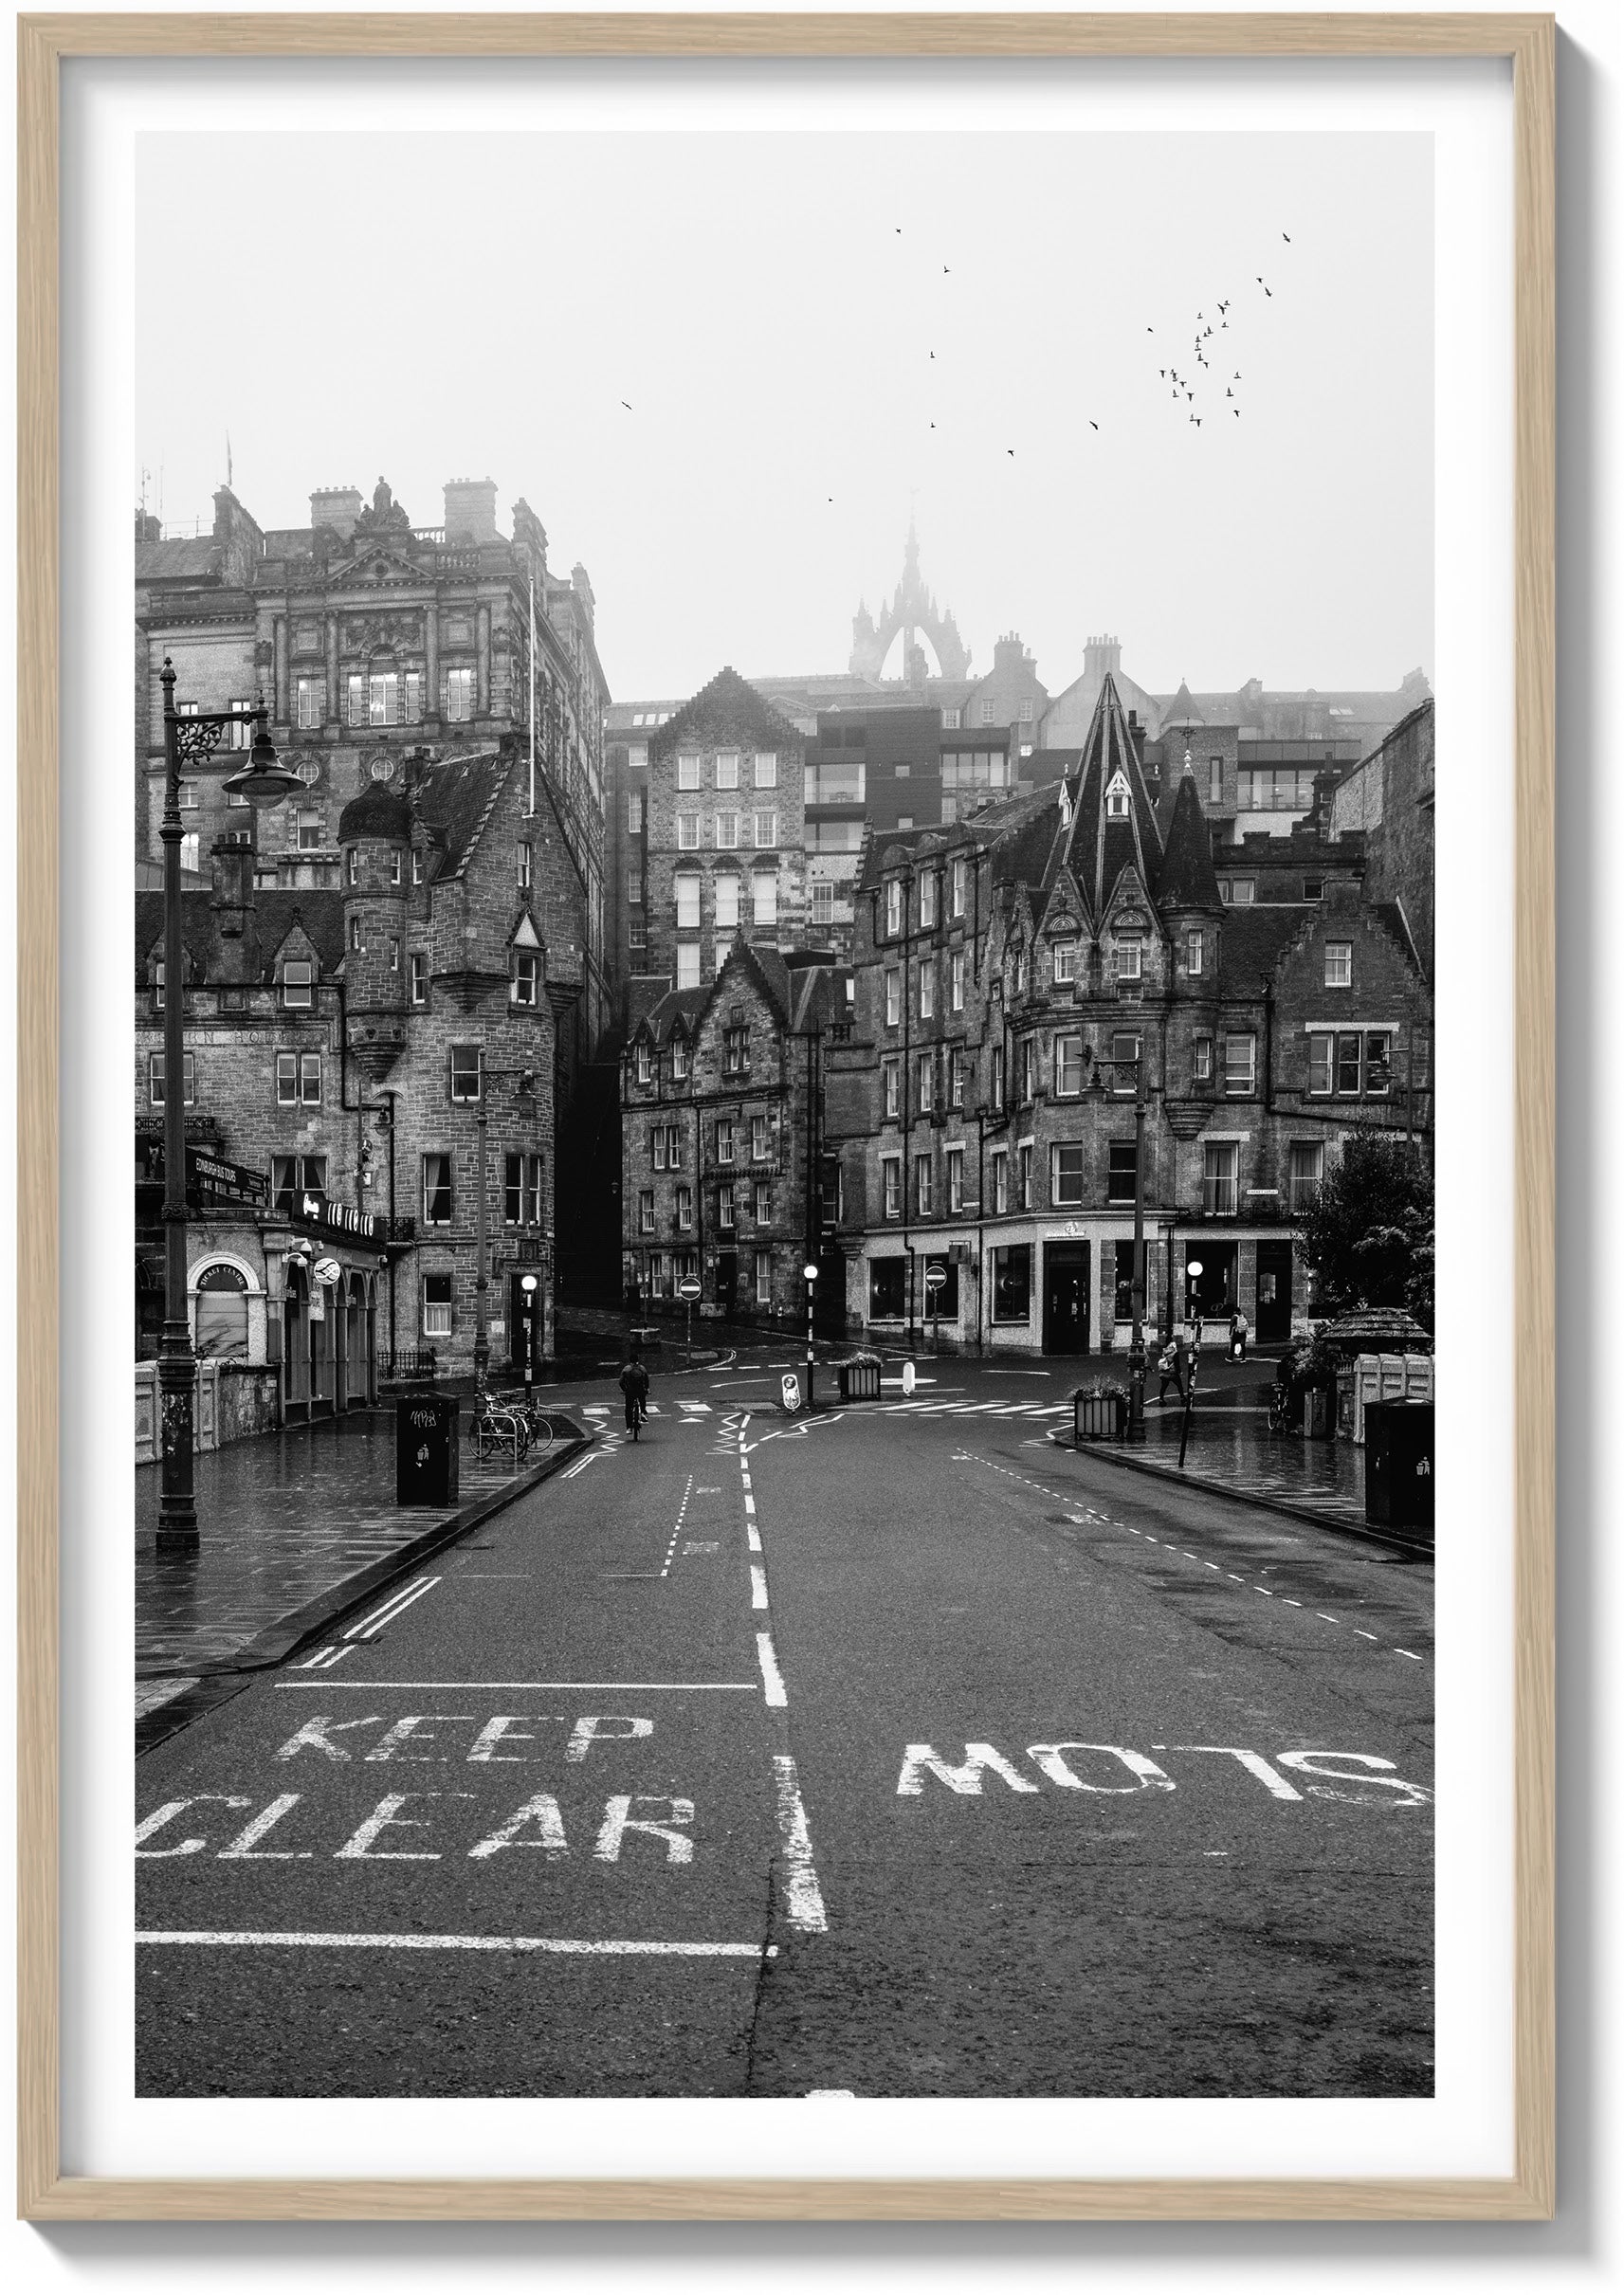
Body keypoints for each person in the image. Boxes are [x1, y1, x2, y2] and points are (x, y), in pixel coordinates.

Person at [618, 1345, 650, 1438]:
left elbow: (620, 1382)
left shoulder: (626, 1369)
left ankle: (629, 1428)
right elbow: (646, 1379)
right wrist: (647, 1389)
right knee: (642, 1399)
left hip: (630, 1391)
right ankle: (643, 1413)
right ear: (637, 1360)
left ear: (630, 1360)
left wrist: (625, 1390)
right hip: (640, 1390)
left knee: (628, 1409)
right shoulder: (642, 1368)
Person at [1157, 1338, 1182, 1405]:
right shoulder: (1175, 1354)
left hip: (1165, 1373)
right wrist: (1179, 1371)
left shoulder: (1165, 1352)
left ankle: (1161, 1399)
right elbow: (1177, 1363)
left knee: (1163, 1387)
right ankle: (1182, 1398)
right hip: (1173, 1373)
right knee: (1179, 1386)